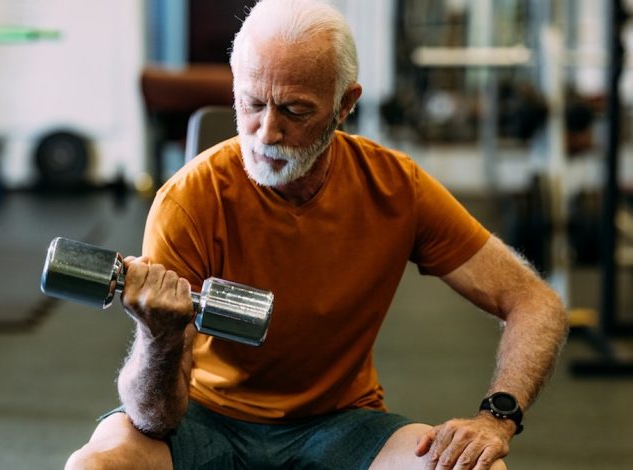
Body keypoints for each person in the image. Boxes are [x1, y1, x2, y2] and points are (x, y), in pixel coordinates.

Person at [66, 0, 568, 468]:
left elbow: (534, 302)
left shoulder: (395, 186)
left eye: (294, 110)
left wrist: (496, 418)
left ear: (345, 104)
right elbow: (156, 417)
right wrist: (160, 335)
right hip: (204, 416)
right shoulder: (190, 198)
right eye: (252, 104)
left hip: (341, 423)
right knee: (94, 464)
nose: (266, 133)